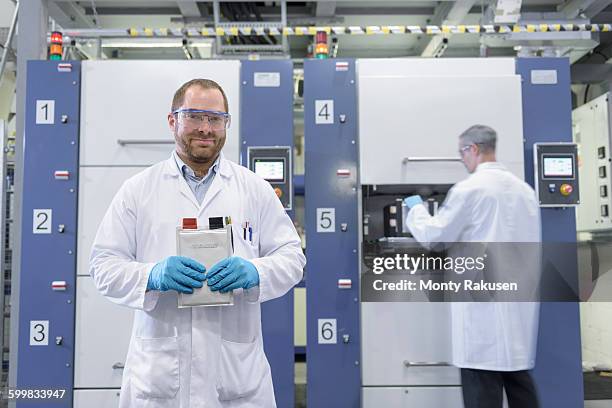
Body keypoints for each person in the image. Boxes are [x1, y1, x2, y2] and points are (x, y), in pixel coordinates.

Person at [90, 78, 306, 407]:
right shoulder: (138, 190)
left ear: (226, 125)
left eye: (215, 118)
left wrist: (255, 271)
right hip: (160, 381)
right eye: (194, 116)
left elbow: (292, 257)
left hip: (238, 382)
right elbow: (103, 266)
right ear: (172, 120)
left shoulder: (254, 189)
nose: (206, 128)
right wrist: (152, 276)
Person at [403, 125, 541, 408]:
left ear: (473, 150)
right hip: (519, 299)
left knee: (482, 382)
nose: (462, 159)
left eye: (462, 153)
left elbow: (435, 236)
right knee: (518, 380)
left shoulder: (470, 189)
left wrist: (415, 208)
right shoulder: (524, 191)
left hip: (482, 304)